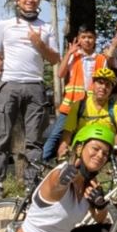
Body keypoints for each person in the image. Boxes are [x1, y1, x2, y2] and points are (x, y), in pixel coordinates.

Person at [0, 0, 60, 197]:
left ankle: (31, 183)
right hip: (9, 84)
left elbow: (55, 58)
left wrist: (39, 44)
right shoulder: (4, 25)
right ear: (18, 0)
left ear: (39, 0)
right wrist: (2, 74)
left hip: (35, 85)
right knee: (1, 134)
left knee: (34, 139)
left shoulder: (46, 28)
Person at [43, 25, 107, 161]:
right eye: (83, 37)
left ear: (95, 39)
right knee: (58, 133)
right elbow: (60, 73)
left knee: (86, 132)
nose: (87, 40)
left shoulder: (101, 59)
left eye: (90, 37)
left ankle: (80, 162)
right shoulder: (73, 56)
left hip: (91, 104)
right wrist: (69, 53)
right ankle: (44, 161)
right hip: (71, 103)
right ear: (78, 39)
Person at [57, 67, 117, 156]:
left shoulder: (116, 105)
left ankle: (115, 163)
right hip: (83, 146)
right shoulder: (79, 105)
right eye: (100, 83)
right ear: (93, 84)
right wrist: (61, 150)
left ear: (111, 89)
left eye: (108, 85)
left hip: (106, 146)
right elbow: (68, 133)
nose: (103, 87)